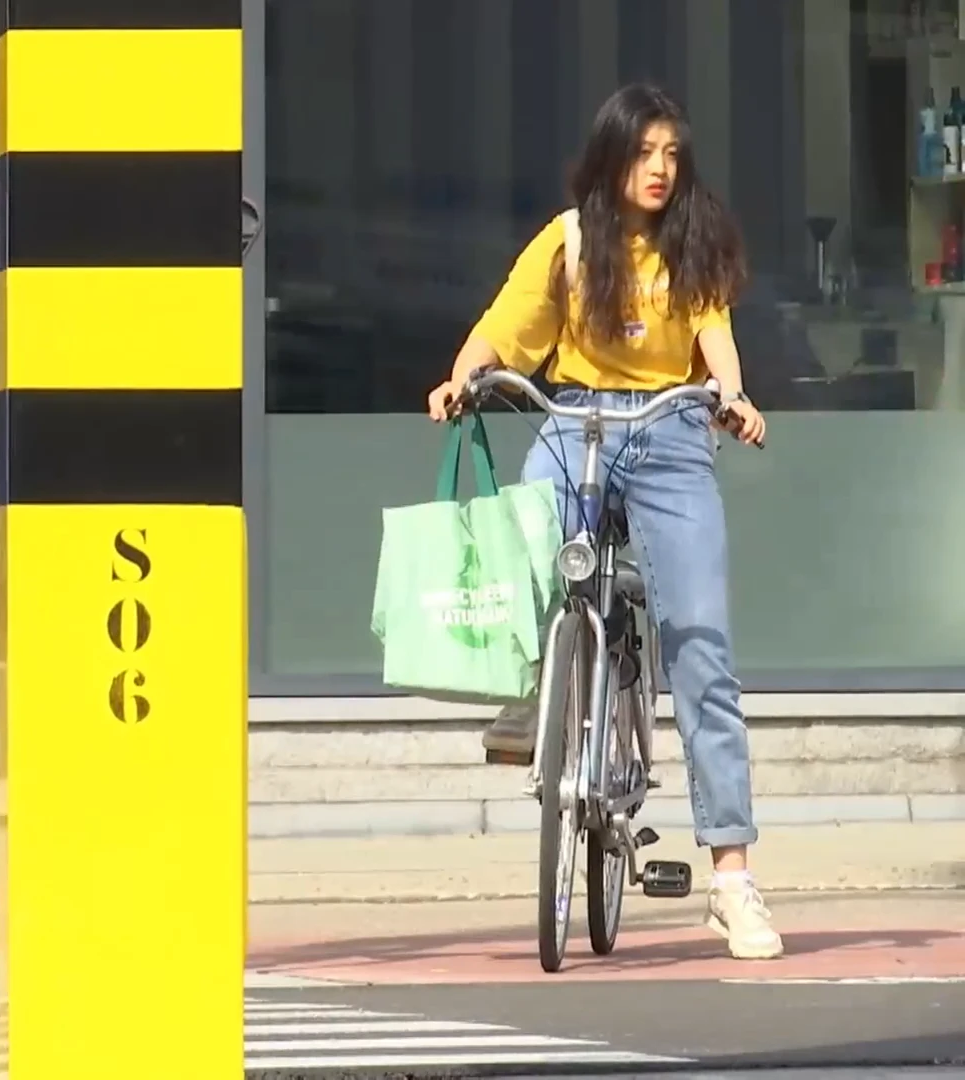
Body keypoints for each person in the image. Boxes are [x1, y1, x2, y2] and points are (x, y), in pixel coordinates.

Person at [425, 83, 782, 961]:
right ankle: (533, 702)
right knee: (530, 546)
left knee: (701, 646)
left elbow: (717, 343)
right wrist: (462, 376)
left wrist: (730, 398)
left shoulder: (692, 241)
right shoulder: (571, 242)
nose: (660, 170)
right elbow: (504, 331)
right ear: (612, 158)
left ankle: (732, 880)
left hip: (667, 428)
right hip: (576, 416)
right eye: (644, 153)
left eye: (671, 154)